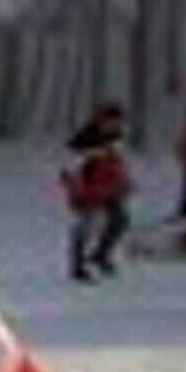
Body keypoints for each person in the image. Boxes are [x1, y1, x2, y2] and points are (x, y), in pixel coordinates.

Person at [61, 105, 131, 283]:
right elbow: (72, 163)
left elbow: (117, 163)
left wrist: (124, 183)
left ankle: (101, 254)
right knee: (85, 225)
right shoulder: (86, 136)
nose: (116, 125)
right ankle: (77, 265)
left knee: (120, 220)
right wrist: (76, 186)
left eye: (118, 122)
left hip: (107, 187)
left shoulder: (116, 137)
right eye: (113, 121)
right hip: (86, 188)